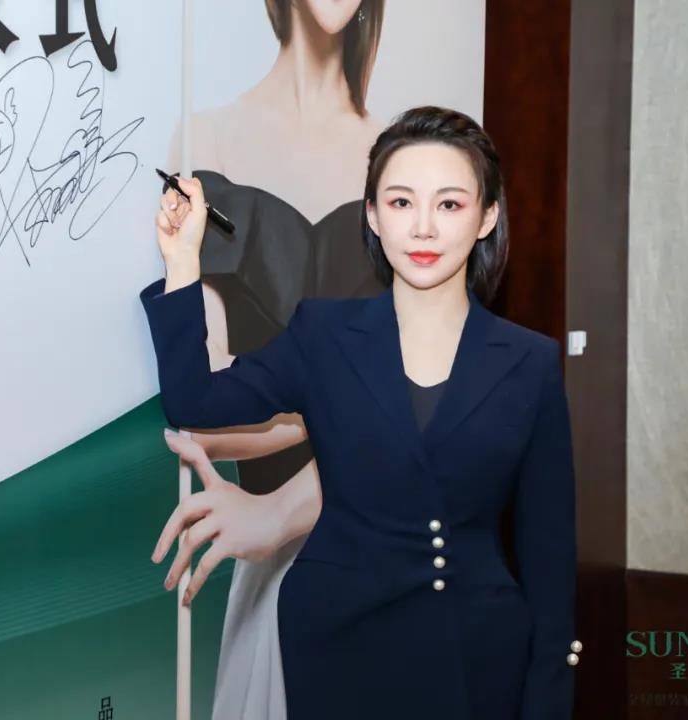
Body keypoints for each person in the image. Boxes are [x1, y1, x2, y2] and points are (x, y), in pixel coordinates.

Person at [142, 105, 578, 718]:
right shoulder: (323, 334)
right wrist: (184, 263)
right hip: (337, 645)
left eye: (449, 204)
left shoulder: (530, 363)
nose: (423, 228)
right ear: (372, 214)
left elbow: (549, 561)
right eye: (401, 202)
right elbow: (197, 400)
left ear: (487, 217)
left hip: (474, 655)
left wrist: (549, 696)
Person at [159, 2, 387, 717]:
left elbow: (429, 388)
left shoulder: (401, 163)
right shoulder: (209, 139)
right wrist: (357, 416)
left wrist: (355, 415)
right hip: (273, 557)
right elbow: (203, 420)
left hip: (387, 550)